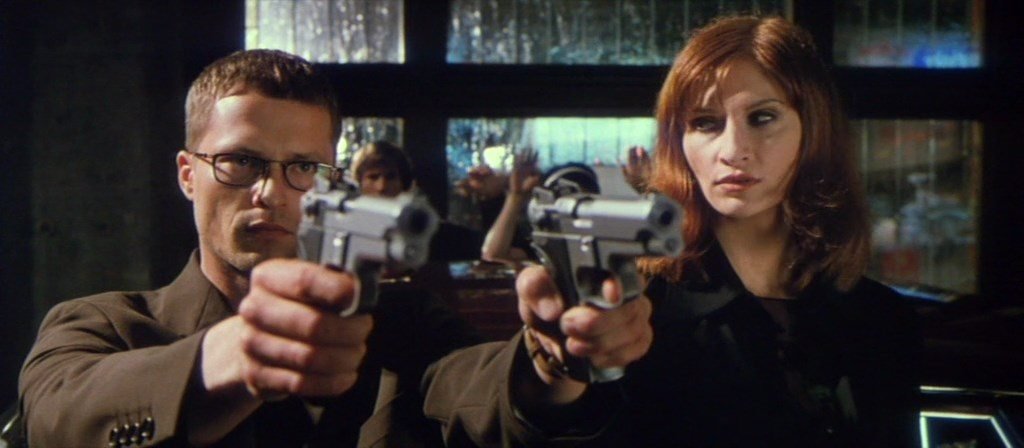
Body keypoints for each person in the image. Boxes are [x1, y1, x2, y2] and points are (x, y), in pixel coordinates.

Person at [419, 15, 921, 446]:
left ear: (814, 128)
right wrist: (553, 364)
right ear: (678, 141)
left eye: (763, 117)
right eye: (705, 123)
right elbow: (510, 419)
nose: (733, 150)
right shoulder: (636, 306)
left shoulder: (882, 318)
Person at [18, 49, 479, 447]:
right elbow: (55, 421)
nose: (271, 193)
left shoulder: (406, 323)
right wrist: (235, 355)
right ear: (187, 175)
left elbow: (485, 390)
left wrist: (528, 372)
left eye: (304, 167)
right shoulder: (103, 325)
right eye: (240, 161)